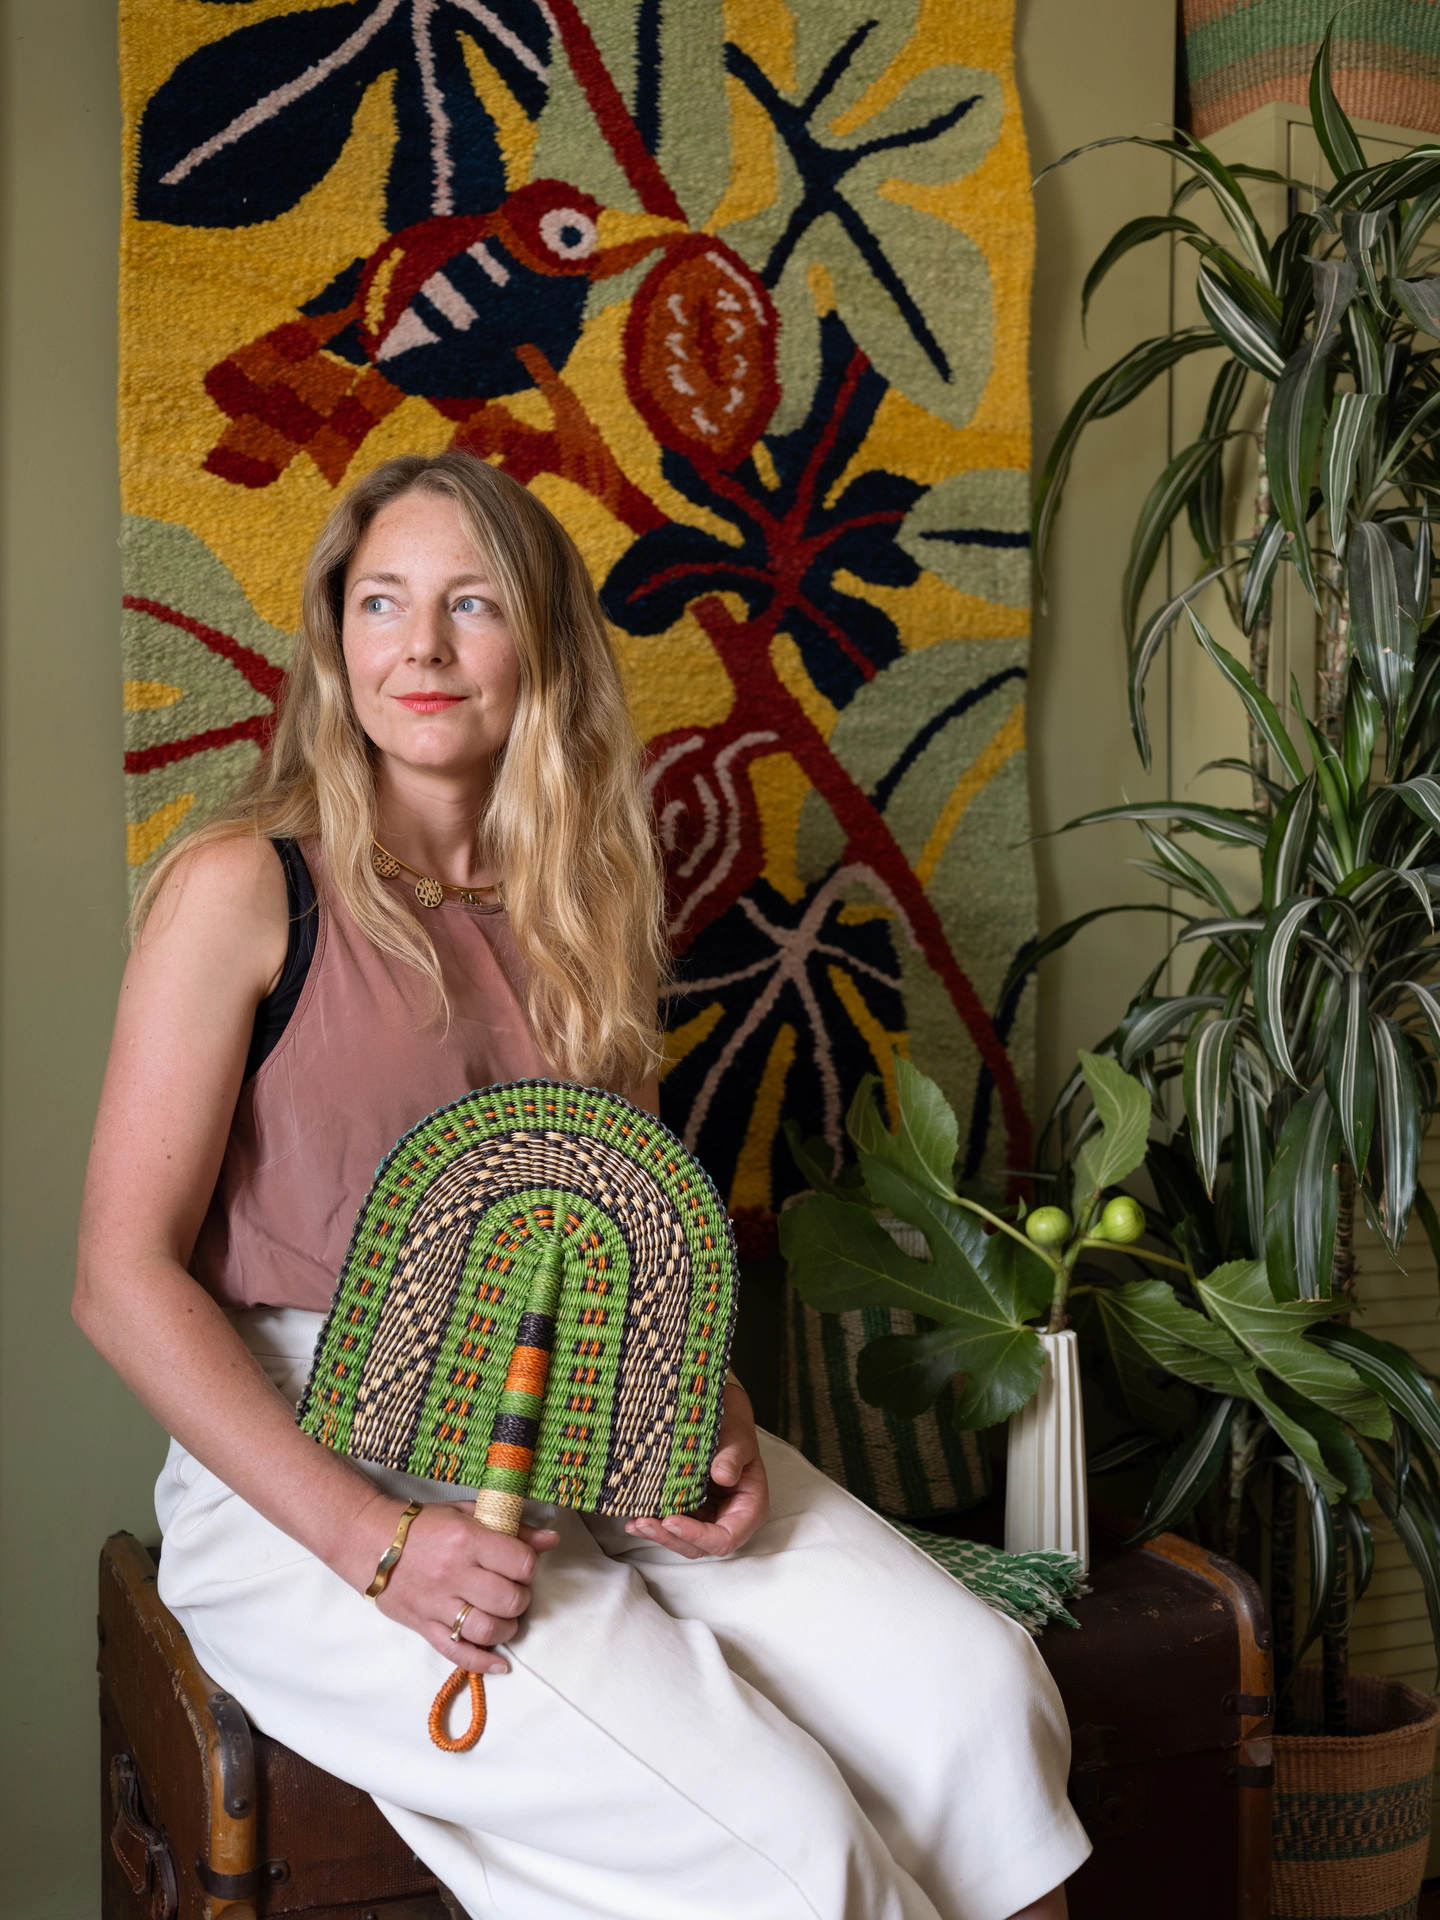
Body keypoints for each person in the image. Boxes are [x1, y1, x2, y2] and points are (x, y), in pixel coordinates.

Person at [75, 452, 1088, 1920]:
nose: (418, 649)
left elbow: (623, 1254)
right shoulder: (244, 886)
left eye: (470, 604)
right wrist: (381, 1546)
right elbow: (118, 1277)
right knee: (778, 1837)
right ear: (335, 638)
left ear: (540, 648)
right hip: (312, 1471)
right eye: (381, 602)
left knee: (979, 1698)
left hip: (585, 1419)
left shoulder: (586, 915)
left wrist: (714, 1421)